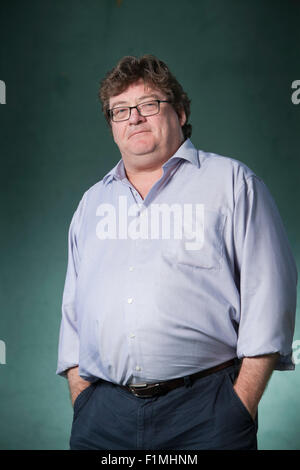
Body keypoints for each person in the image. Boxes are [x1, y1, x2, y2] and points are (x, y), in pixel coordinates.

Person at [56, 55, 298, 450]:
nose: (134, 117)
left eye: (148, 104)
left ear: (181, 112)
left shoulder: (232, 183)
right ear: (113, 126)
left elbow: (271, 293)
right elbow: (73, 309)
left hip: (206, 413)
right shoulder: (91, 204)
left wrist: (241, 403)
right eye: (120, 110)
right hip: (103, 417)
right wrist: (82, 395)